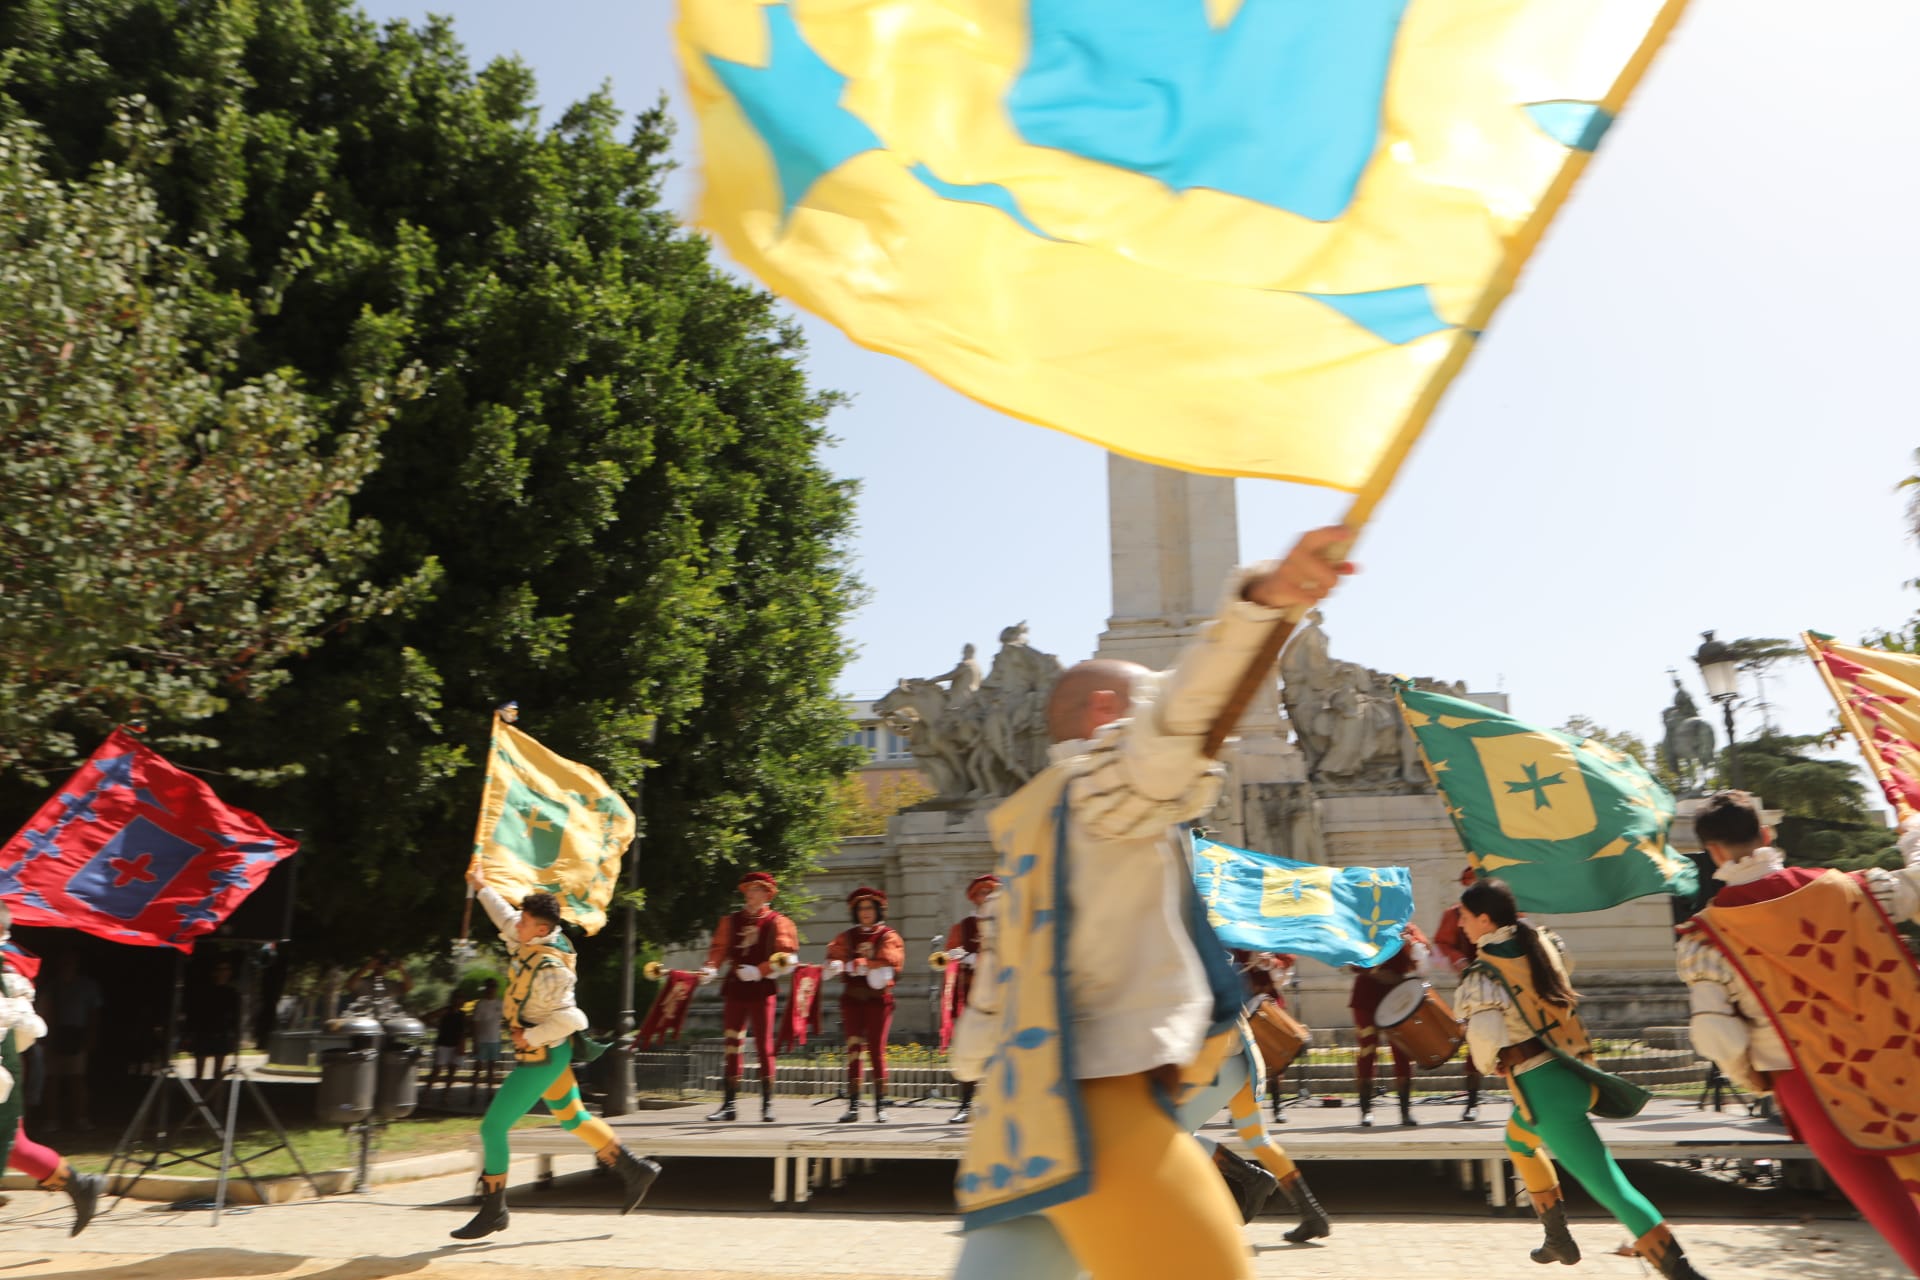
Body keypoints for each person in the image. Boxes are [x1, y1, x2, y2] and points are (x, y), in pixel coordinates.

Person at [948, 525, 1353, 1280]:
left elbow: (976, 1038)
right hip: (1106, 1122)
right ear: (1107, 715)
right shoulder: (1110, 786)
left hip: (1014, 1139)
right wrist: (1262, 608)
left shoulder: (1032, 831)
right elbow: (1181, 720)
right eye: (1141, 704)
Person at [1675, 791, 1920, 1276]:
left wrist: (1754, 1078)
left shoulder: (1707, 936)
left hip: (1811, 1089)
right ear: (1766, 834)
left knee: (1906, 1230)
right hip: (1900, 1065)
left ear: (1713, 852)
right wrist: (1914, 835)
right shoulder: (1852, 889)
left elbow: (1718, 1036)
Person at [1453, 877, 1709, 1279]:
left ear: (1484, 920)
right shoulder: (1541, 942)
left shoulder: (1484, 974)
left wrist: (1489, 1061)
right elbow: (1562, 968)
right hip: (1572, 1070)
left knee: (1612, 1187)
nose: (1460, 924)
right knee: (1518, 1143)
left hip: (1545, 1092)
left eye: (1464, 916)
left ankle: (1682, 1272)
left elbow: (1485, 1038)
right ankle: (1557, 1238)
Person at [453, 865, 659, 1239]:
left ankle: (494, 1209)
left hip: (545, 1056)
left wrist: (529, 1038)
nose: (518, 924)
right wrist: (481, 886)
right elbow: (505, 916)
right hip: (548, 1054)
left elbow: (572, 1020)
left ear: (543, 930)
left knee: (493, 1127)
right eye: (522, 919)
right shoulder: (530, 936)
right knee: (573, 1118)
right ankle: (635, 1168)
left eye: (526, 921)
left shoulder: (551, 968)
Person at [0, 907, 103, 1235]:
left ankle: (81, 1186)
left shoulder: (7, 967)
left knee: (12, 1145)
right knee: (15, 1147)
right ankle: (81, 1185)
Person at [700, 871, 797, 1123]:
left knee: (765, 1046)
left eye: (758, 890)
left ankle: (767, 1105)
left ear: (767, 894)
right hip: (735, 986)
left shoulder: (778, 922)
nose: (752, 894)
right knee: (732, 1044)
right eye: (750, 889)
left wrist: (760, 971)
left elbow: (786, 956)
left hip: (762, 988)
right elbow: (719, 949)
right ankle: (729, 1104)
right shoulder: (730, 921)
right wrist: (711, 967)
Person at [826, 886, 905, 1123]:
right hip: (852, 999)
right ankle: (853, 1105)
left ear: (878, 909)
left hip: (878, 1000)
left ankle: (880, 1105)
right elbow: (834, 956)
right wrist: (837, 965)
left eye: (870, 907)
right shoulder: (847, 936)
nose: (866, 912)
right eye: (861, 908)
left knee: (876, 1051)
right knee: (853, 1050)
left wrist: (864, 963)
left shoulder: (888, 935)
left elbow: (890, 961)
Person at [1347, 924, 1428, 1127]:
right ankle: (1366, 1110)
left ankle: (1405, 1111)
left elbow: (1423, 958)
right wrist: (1375, 969)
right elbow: (1350, 959)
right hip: (1367, 994)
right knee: (1367, 1050)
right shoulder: (1365, 924)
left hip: (1396, 994)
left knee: (1402, 1052)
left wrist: (1411, 944)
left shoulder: (1407, 927)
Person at [942, 874, 1000, 1123]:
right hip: (969, 996)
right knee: (968, 1049)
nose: (986, 897)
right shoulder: (963, 926)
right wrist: (956, 956)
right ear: (974, 898)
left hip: (1000, 998)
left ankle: (998, 1106)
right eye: (981, 893)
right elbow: (947, 955)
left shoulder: (1008, 924)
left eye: (990, 892)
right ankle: (965, 1105)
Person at [1429, 867, 1485, 1122]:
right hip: (1473, 985)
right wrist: (1460, 960)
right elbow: (1441, 943)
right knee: (1474, 1042)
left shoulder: (1508, 913)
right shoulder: (1455, 914)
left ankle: (1523, 1103)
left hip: (1508, 984)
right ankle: (1472, 1102)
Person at [35, 950, 102, 1132]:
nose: (67, 966)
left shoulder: (87, 986)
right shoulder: (52, 987)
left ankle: (81, 1118)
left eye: (70, 962)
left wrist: (90, 1036)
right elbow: (43, 1012)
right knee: (52, 1080)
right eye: (64, 962)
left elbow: (94, 1013)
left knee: (77, 1079)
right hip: (55, 1035)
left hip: (77, 1035)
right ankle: (52, 1120)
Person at [1230, 949, 1296, 1123]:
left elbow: (1284, 976)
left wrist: (1271, 963)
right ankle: (1239, 1108)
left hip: (1269, 1005)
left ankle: (1277, 1107)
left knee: (1275, 1057)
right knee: (1241, 1059)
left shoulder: (1276, 942)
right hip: (1243, 1003)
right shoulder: (1235, 941)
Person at [186, 959, 243, 1082]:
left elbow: (235, 1016)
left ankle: (216, 1099)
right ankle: (196, 1098)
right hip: (204, 1032)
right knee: (199, 1072)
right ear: (214, 972)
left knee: (218, 1073)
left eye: (227, 969)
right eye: (221, 969)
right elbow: (196, 1013)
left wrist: (234, 1034)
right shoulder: (203, 991)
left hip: (221, 1032)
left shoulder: (232, 993)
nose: (224, 973)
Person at [426, 994, 469, 1096]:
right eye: (457, 1000)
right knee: (437, 1070)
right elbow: (426, 1017)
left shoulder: (462, 1014)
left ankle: (445, 1095)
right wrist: (437, 1026)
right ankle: (426, 1093)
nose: (459, 1002)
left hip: (456, 1045)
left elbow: (463, 1031)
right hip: (443, 1044)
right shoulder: (445, 1011)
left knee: (452, 1072)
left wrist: (462, 1045)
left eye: (461, 1000)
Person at [468, 979, 504, 1097]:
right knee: (478, 1069)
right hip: (481, 1041)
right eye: (489, 986)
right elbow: (475, 1023)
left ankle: (489, 1093)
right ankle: (472, 1093)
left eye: (493, 986)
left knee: (491, 1069)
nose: (491, 989)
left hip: (495, 1040)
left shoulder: (500, 1003)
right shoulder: (480, 1004)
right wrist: (475, 1042)